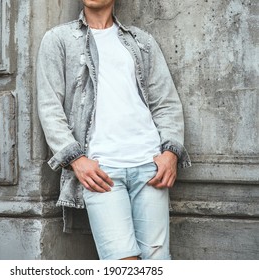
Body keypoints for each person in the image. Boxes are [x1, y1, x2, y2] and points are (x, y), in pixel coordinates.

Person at [37, 0, 191, 260]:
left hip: (150, 168)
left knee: (157, 263)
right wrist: (76, 159)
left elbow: (166, 103)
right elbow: (49, 106)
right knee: (122, 263)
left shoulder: (142, 41)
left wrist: (170, 153)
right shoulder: (58, 39)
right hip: (101, 171)